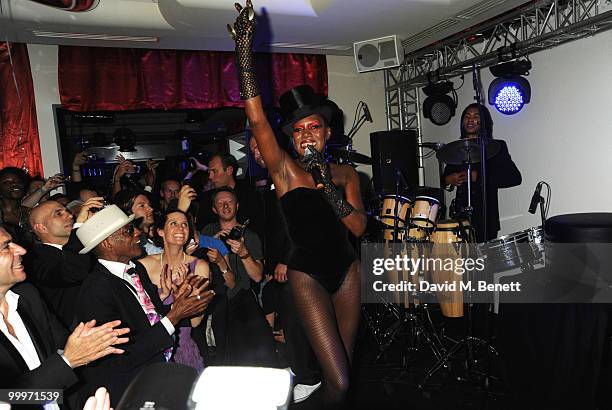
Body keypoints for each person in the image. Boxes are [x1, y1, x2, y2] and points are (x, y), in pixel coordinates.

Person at [228, 3, 367, 406]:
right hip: (308, 275)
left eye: (315, 127)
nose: (308, 134)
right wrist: (244, 51)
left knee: (343, 375)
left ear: (327, 133)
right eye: (300, 129)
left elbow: (359, 229)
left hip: (348, 271)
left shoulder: (345, 174)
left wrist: (328, 188)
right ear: (292, 138)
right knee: (337, 381)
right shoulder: (284, 171)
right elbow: (256, 120)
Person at [74, 205, 213, 406]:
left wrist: (180, 300)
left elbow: (151, 319)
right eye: (129, 230)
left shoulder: (135, 269)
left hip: (156, 375)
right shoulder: (97, 288)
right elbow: (119, 357)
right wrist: (175, 315)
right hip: (128, 392)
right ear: (108, 243)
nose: (138, 232)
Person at [0, 224, 129, 409]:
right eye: (6, 246)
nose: (21, 249)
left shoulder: (27, 297)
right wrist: (67, 361)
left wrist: (91, 343)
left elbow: (61, 345)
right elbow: (6, 399)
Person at [250, 137, 322, 402]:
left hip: (300, 262)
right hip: (282, 264)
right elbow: (275, 230)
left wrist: (288, 259)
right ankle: (298, 364)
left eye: (260, 146)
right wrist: (272, 263)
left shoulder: (292, 174)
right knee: (286, 313)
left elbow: (304, 224)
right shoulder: (271, 179)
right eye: (253, 150)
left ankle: (309, 376)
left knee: (296, 317)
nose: (257, 153)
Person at [202, 187, 276, 366]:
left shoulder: (250, 236)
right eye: (220, 203)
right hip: (215, 298)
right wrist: (212, 242)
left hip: (242, 296)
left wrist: (243, 253)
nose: (226, 206)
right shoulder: (207, 232)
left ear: (237, 206)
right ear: (214, 209)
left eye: (230, 202)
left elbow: (258, 277)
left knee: (257, 337)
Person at [138, 209, 212, 371]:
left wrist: (185, 293)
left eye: (185, 224)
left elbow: (196, 321)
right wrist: (164, 297)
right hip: (151, 349)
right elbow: (139, 315)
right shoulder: (144, 265)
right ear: (161, 231)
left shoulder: (199, 266)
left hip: (181, 349)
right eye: (174, 223)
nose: (181, 228)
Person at [443, 103, 522, 242]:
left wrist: (477, 177)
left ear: (484, 121)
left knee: (485, 261)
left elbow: (514, 178)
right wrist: (449, 180)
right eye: (467, 117)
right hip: (460, 218)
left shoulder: (496, 147)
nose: (470, 120)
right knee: (462, 262)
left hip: (486, 217)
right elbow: (445, 178)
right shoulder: (457, 147)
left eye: (475, 116)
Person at [24, 197, 102, 328]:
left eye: (67, 211)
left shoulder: (86, 246)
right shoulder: (34, 260)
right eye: (59, 214)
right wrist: (79, 227)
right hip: (76, 334)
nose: (70, 216)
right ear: (41, 227)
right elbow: (73, 272)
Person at [195, 153, 263, 239]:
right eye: (209, 172)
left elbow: (258, 229)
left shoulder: (250, 196)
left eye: (214, 171)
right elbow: (201, 232)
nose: (210, 176)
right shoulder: (206, 199)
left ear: (229, 170)